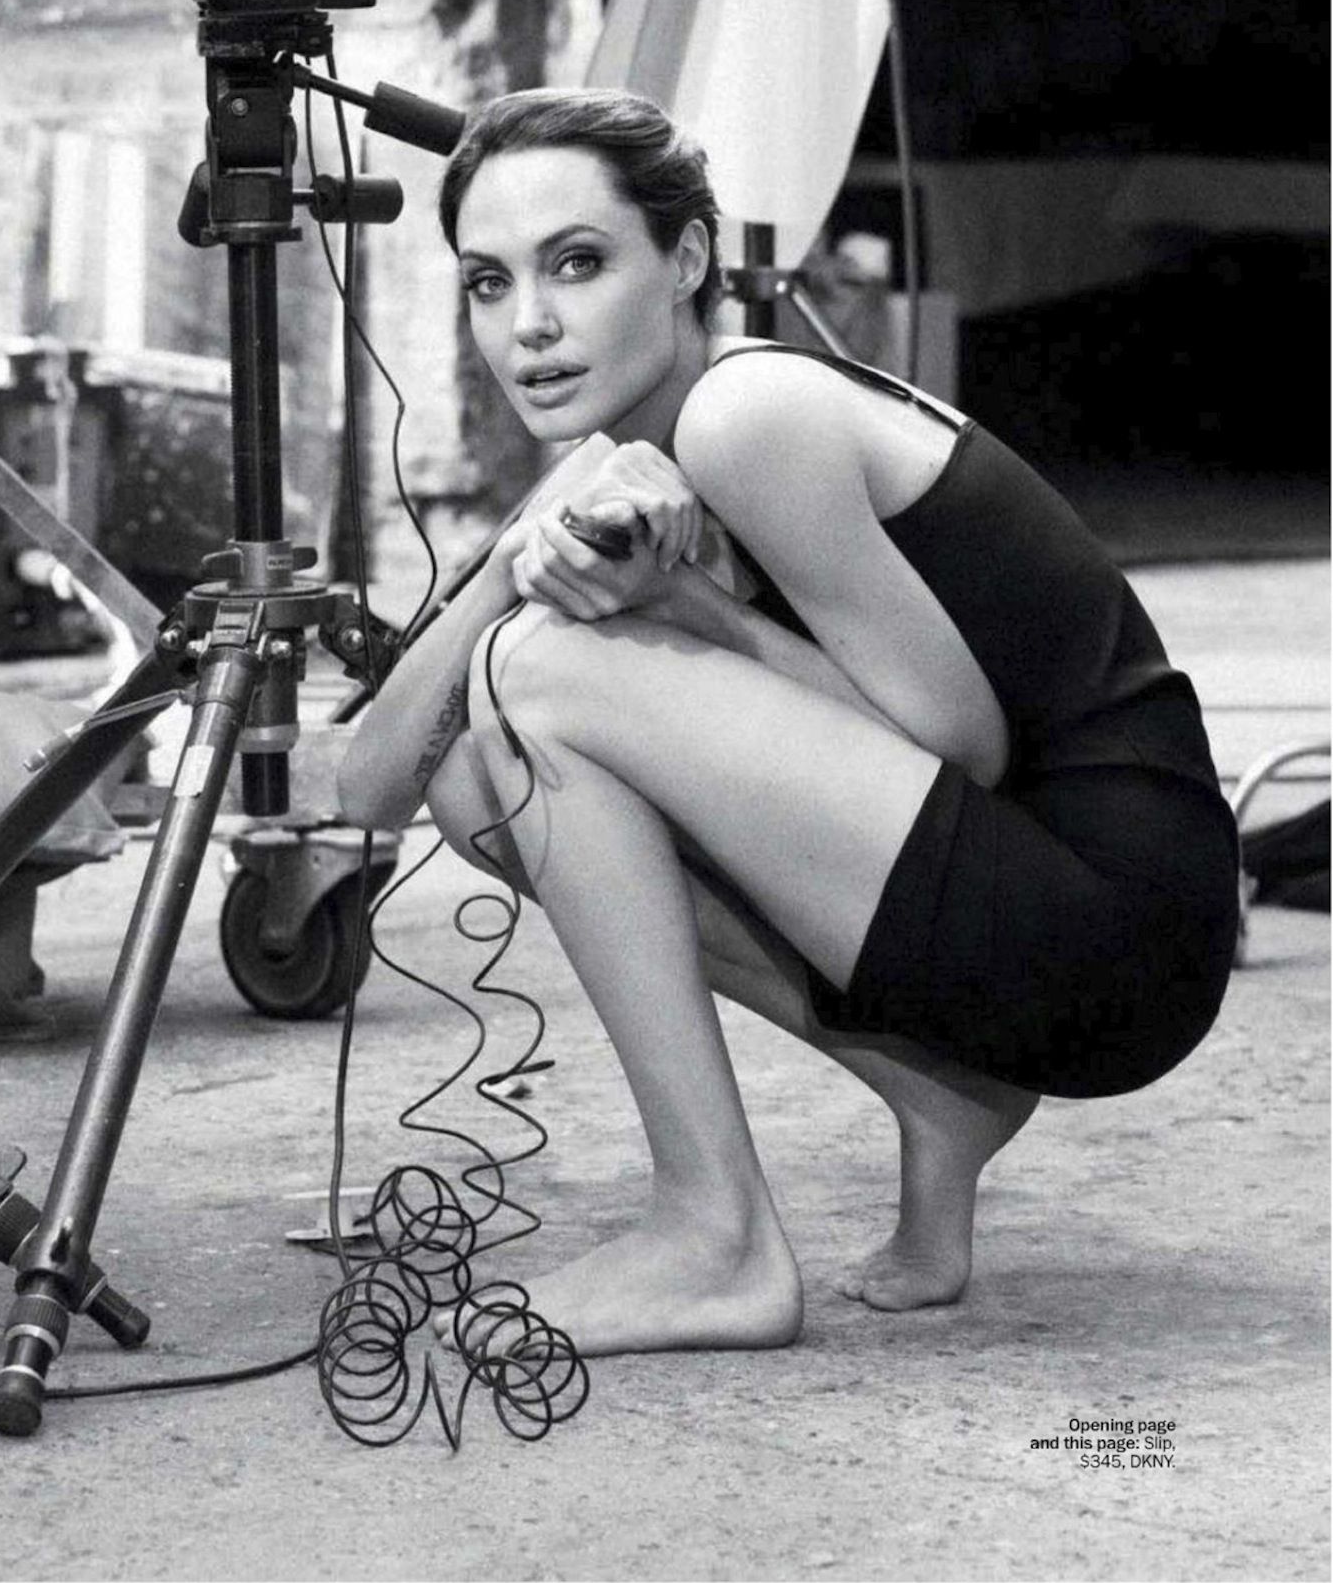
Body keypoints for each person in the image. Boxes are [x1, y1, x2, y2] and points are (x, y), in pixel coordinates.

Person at [335, 87, 1241, 1359]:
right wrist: (513, 559)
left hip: (1125, 930)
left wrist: (679, 604)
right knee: (479, 770)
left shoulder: (749, 413)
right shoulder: (620, 450)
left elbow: (961, 747)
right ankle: (940, 1090)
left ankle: (715, 1240)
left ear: (687, 259)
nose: (528, 322)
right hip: (1018, 907)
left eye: (578, 263)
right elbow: (371, 787)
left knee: (545, 677)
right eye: (490, 282)